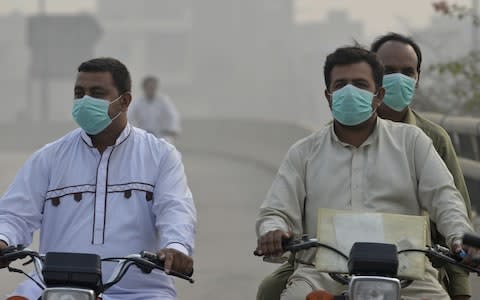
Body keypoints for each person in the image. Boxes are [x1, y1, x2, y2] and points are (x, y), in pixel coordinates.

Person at [256, 34, 473, 300]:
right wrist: (273, 230)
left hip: (408, 277)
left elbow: (446, 198)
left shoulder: (413, 141)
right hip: (321, 275)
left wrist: (459, 237)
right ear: (328, 96)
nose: (350, 92)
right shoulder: (304, 152)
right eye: (341, 85)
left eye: (360, 84)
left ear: (378, 95)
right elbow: (276, 209)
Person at [0, 58, 196, 300]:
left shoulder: (161, 156)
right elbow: (14, 213)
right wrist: (2, 238)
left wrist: (176, 248)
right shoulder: (49, 157)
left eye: (97, 93)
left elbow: (175, 209)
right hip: (53, 286)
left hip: (140, 292)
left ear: (124, 101)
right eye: (79, 93)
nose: (85, 101)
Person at [128, 76, 181, 143]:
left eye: (153, 87)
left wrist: (172, 129)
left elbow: (173, 116)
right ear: (144, 88)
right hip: (143, 136)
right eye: (149, 87)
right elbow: (129, 116)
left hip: (161, 136)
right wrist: (131, 131)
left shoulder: (164, 101)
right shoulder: (137, 102)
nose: (151, 89)